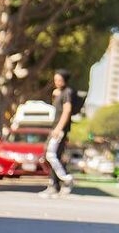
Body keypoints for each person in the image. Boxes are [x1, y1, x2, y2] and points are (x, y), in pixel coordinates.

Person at [40, 70, 75, 198]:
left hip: (59, 130)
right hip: (55, 128)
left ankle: (66, 178)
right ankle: (54, 184)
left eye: (59, 80)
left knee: (51, 155)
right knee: (50, 155)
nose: (57, 82)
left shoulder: (67, 93)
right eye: (55, 80)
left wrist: (59, 128)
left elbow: (67, 111)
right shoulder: (59, 93)